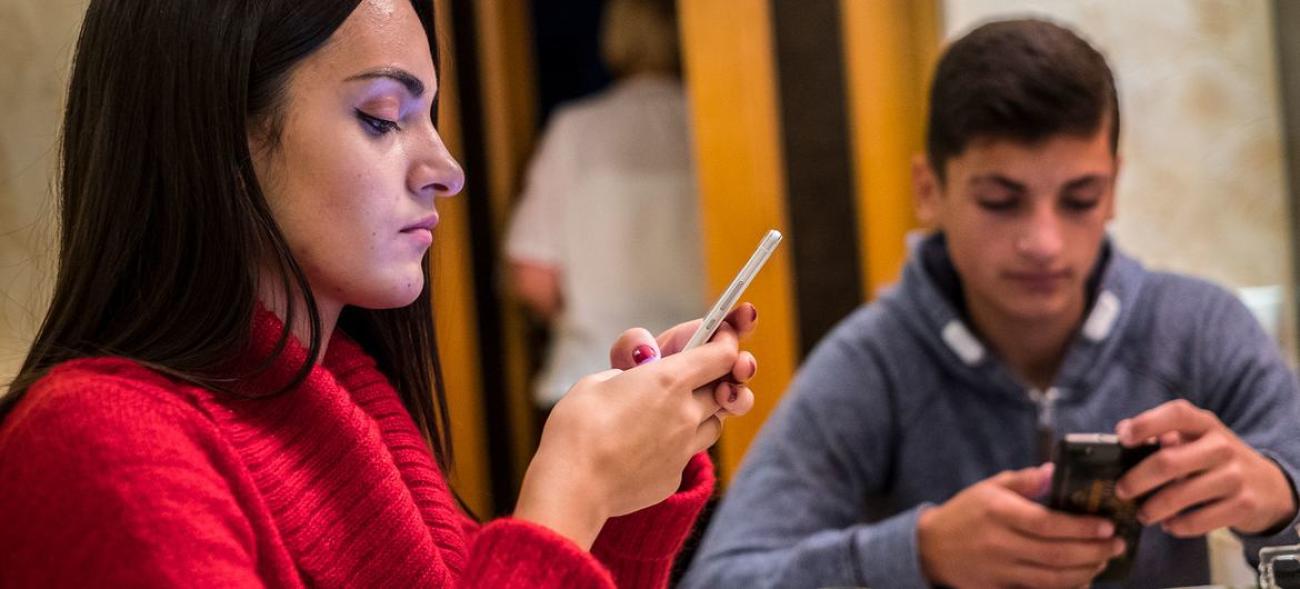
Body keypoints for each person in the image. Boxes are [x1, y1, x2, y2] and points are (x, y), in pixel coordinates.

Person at [0, 0, 760, 587]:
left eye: (430, 116)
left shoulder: (362, 412)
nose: (448, 168)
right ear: (219, 136)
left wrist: (622, 506)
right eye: (382, 118)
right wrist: (572, 495)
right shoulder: (99, 441)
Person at [683, 18, 1300, 589]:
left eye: (1080, 198)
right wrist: (920, 553)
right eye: (1001, 200)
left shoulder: (1203, 330)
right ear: (930, 190)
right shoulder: (870, 365)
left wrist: (1280, 500)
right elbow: (722, 578)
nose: (1043, 242)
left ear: (1113, 187)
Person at [505, 0, 705, 411]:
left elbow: (532, 278)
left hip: (592, 380)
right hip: (702, 378)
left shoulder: (576, 131)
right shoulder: (717, 128)